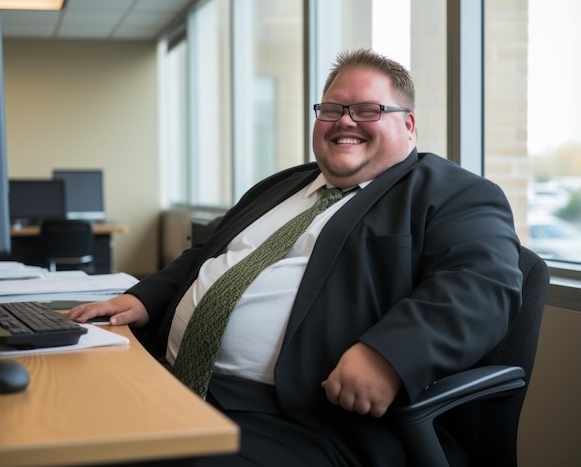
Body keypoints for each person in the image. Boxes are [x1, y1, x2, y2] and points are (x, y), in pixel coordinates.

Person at [66, 48, 523, 466]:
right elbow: (208, 255)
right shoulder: (280, 186)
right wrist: (146, 297)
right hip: (170, 380)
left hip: (301, 419)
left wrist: (390, 354)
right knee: (57, 419)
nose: (345, 121)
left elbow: (480, 285)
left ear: (408, 125)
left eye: (368, 110)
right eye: (331, 109)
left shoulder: (453, 194)